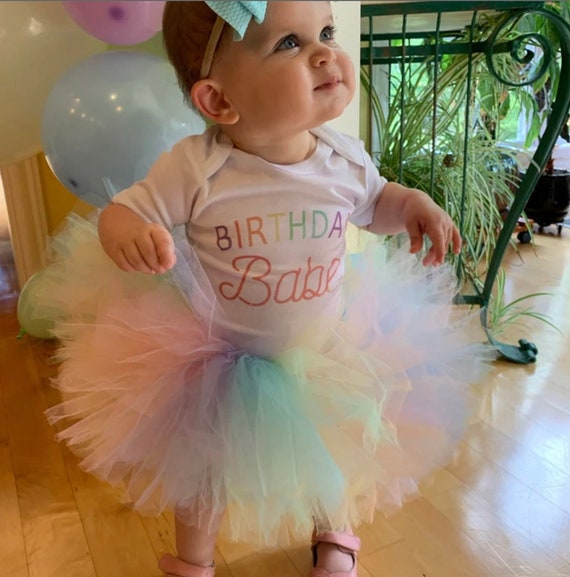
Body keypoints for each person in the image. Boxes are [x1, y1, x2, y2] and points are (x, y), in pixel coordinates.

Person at [43, 2, 489, 576]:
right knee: (203, 467)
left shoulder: (342, 160)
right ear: (218, 100)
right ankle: (193, 560)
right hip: (220, 361)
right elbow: (126, 209)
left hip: (326, 350)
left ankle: (333, 531)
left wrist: (414, 207)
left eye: (325, 33)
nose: (326, 52)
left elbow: (378, 204)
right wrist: (128, 231)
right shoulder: (197, 167)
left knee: (333, 446)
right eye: (289, 44)